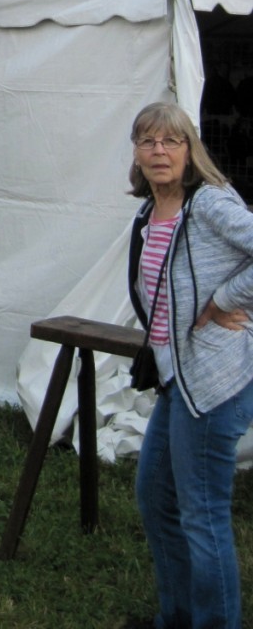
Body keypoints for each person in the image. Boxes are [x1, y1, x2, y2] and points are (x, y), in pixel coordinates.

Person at [127, 101, 253, 629]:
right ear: (135, 151)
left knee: (201, 514)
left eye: (171, 141)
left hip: (214, 382)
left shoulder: (208, 204)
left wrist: (227, 298)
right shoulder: (148, 212)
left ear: (190, 150)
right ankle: (176, 618)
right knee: (155, 497)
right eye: (148, 141)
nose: (159, 151)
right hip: (176, 379)